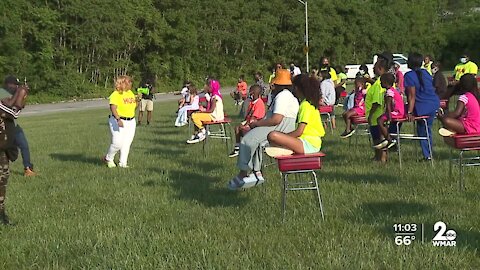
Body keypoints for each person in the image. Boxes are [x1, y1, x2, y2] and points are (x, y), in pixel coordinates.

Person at [227, 69, 299, 190]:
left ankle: (243, 173)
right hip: (287, 128)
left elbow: (276, 119)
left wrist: (257, 124)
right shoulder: (292, 97)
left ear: (278, 85)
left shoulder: (282, 96)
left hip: (277, 127)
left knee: (247, 140)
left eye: (273, 83)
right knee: (257, 141)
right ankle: (256, 172)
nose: (271, 86)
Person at [266, 74, 325, 156]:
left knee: (272, 135)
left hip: (308, 144)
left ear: (296, 88)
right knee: (276, 136)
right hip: (311, 142)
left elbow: (299, 131)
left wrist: (284, 138)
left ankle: (284, 148)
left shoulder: (305, 105)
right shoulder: (309, 103)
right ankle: (285, 147)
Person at [404, 52, 440, 161]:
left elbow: (412, 96)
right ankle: (429, 154)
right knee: (427, 129)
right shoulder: (425, 72)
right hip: (433, 103)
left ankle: (391, 138)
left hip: (422, 106)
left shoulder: (409, 76)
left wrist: (409, 112)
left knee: (422, 130)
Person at [0, 76, 35, 176]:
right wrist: (19, 94)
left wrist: (23, 97)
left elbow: (19, 106)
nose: (16, 87)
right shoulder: (2, 92)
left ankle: (28, 168)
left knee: (24, 145)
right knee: (8, 150)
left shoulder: (14, 93)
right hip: (4, 127)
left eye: (17, 85)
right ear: (8, 84)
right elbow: (11, 108)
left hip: (13, 126)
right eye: (15, 85)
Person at [103, 75, 137, 168]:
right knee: (117, 142)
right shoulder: (116, 94)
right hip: (118, 120)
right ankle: (109, 158)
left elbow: (133, 107)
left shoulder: (130, 93)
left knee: (127, 143)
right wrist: (118, 118)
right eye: (129, 82)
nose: (131, 84)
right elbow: (113, 107)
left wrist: (138, 101)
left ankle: (123, 163)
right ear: (122, 83)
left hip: (131, 120)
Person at [228, 85, 266, 157]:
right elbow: (248, 116)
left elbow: (254, 118)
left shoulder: (259, 103)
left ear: (254, 93)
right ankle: (237, 147)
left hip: (256, 125)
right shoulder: (252, 103)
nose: (249, 93)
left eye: (250, 92)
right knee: (237, 128)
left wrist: (245, 125)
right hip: (249, 122)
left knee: (242, 128)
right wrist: (244, 122)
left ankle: (247, 147)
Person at [365, 57, 389, 162]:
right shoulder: (378, 81)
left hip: (376, 116)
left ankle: (382, 158)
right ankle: (377, 157)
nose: (373, 70)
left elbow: (376, 102)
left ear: (380, 68)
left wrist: (370, 115)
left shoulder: (380, 83)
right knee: (376, 138)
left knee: (380, 138)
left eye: (374, 68)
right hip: (375, 116)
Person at [374, 73, 405, 150]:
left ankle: (389, 139)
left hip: (397, 112)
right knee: (381, 119)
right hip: (399, 111)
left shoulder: (389, 92)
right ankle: (387, 137)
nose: (380, 83)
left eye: (381, 82)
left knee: (379, 120)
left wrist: (389, 116)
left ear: (385, 83)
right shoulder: (393, 90)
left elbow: (388, 105)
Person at [186, 79, 224, 144]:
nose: (208, 88)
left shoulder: (215, 97)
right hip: (215, 115)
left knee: (194, 116)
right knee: (197, 115)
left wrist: (204, 112)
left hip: (214, 116)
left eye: (209, 87)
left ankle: (203, 132)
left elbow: (211, 110)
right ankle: (199, 132)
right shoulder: (215, 95)